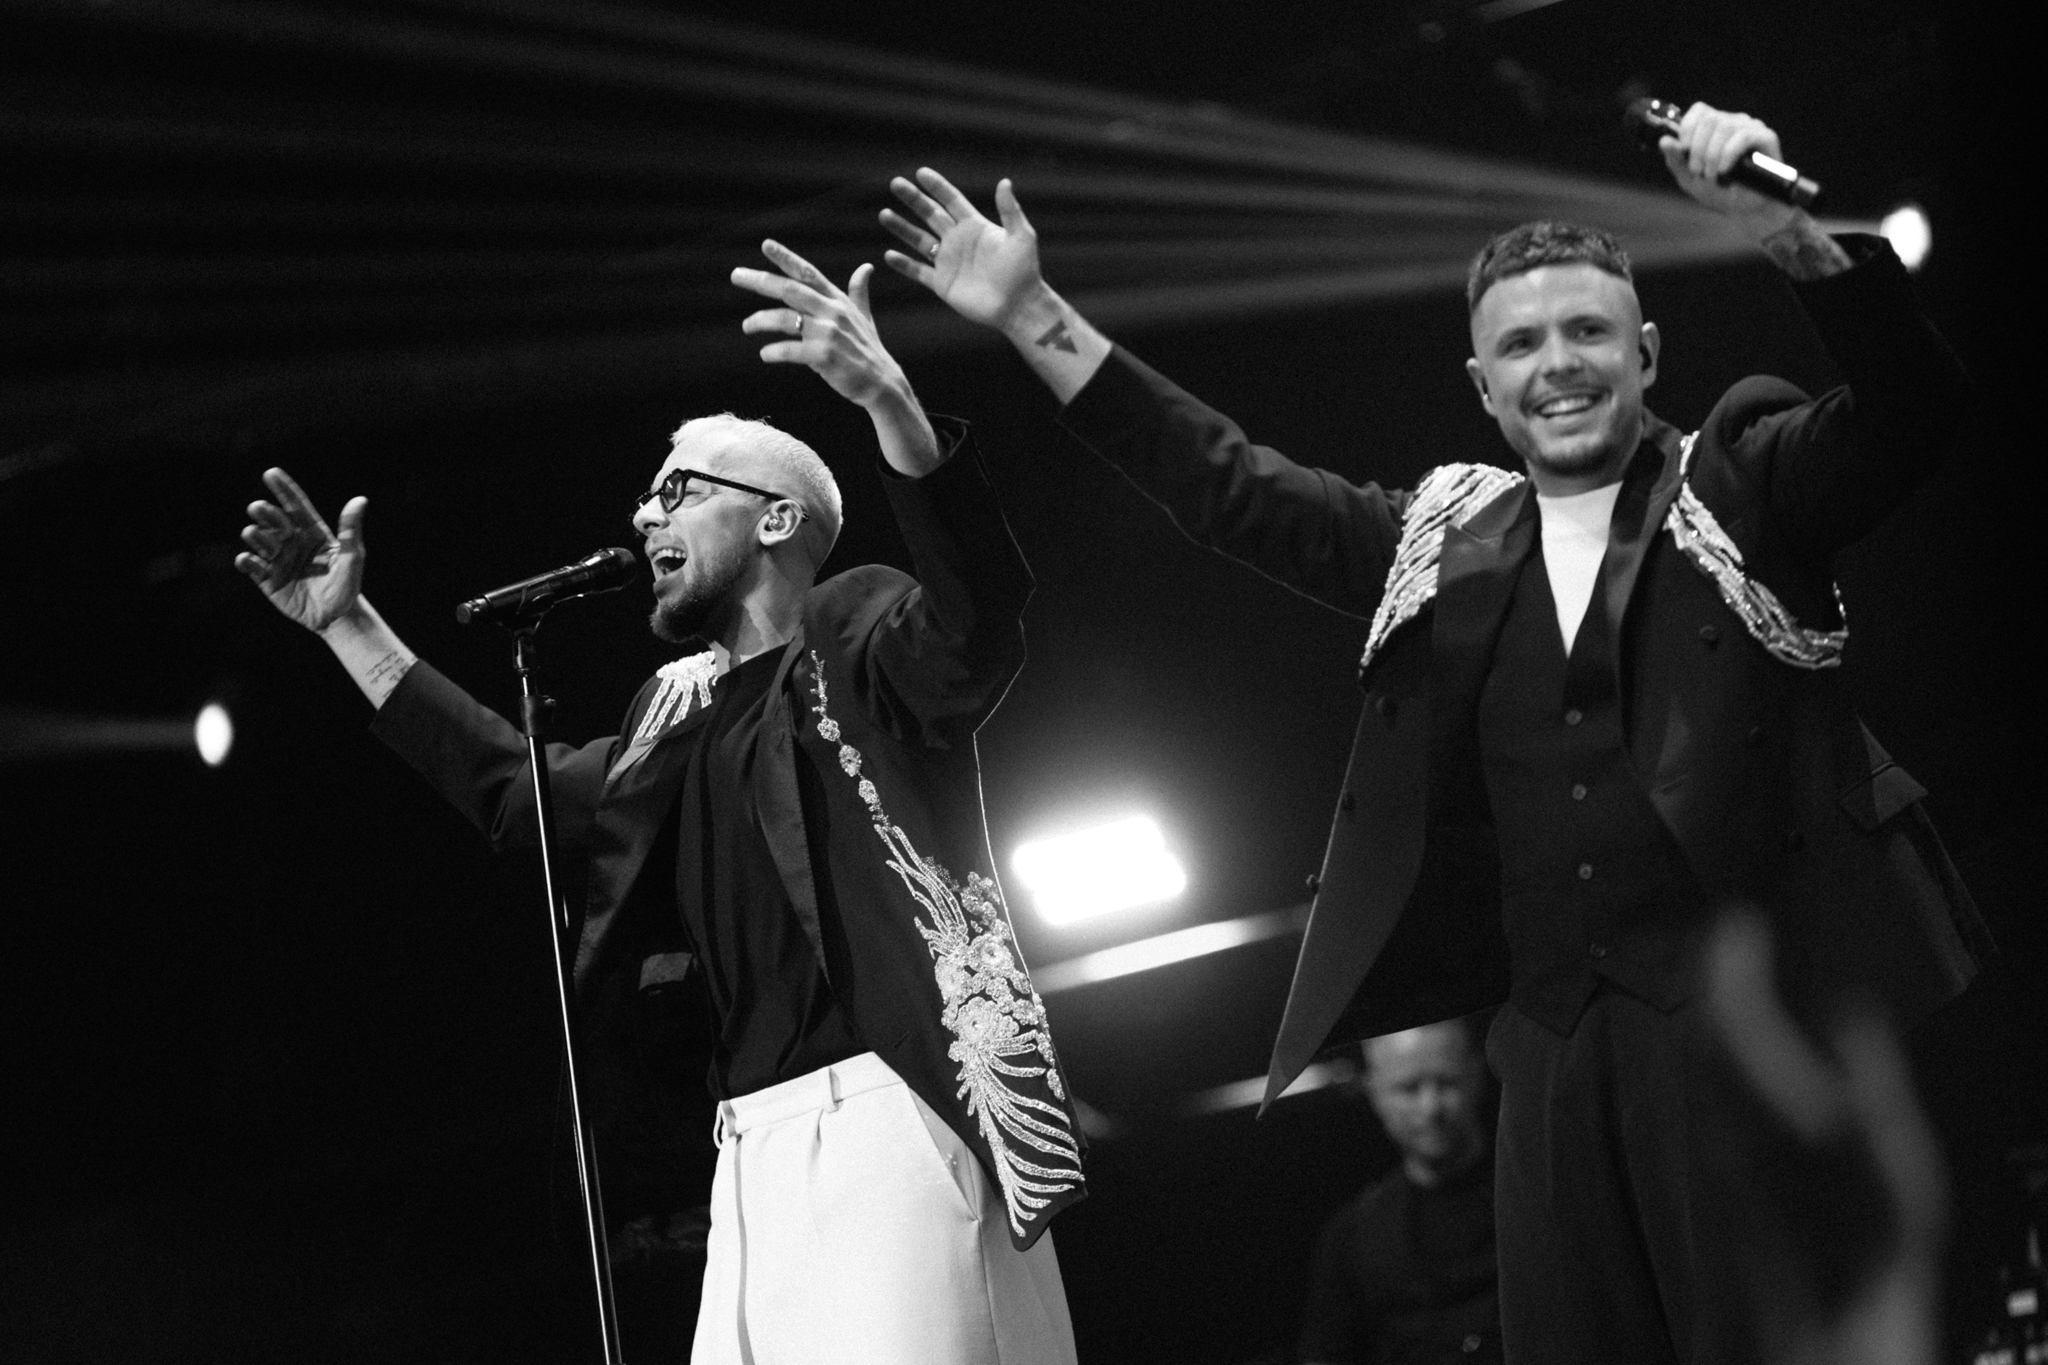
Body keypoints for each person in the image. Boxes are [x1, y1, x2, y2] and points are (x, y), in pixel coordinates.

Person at [878, 102, 1991, 1364]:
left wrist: (1782, 230)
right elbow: (1224, 484)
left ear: (1645, 353)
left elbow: (1914, 408)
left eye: (1587, 332)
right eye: (1520, 343)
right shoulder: (1443, 544)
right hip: (1551, 1055)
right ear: (1481, 386)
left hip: (1746, 1038)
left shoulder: (1740, 480)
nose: (1556, 363)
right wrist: (1032, 313)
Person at [233, 240, 1084, 1364]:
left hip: (895, 1118)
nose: (644, 515)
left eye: (678, 490)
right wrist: (350, 625)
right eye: (647, 494)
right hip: (749, 1160)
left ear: (775, 520)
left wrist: (888, 399)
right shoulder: (672, 714)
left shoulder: (858, 631)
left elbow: (975, 622)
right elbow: (516, 794)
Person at [1299, 1019, 1499, 1365]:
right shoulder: (1354, 1236)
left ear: (1476, 1074)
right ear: (1374, 1091)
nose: (1431, 1107)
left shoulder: (1534, 1196)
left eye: (1446, 1082)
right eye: (1409, 1088)